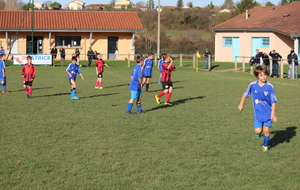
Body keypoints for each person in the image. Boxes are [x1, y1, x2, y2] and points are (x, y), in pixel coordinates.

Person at [238, 66, 278, 153]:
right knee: (258, 130)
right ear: (257, 76)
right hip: (258, 113)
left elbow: (273, 101)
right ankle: (258, 134)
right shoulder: (252, 85)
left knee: (266, 130)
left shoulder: (270, 87)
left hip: (268, 113)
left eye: (265, 75)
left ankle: (265, 146)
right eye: (261, 75)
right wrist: (241, 104)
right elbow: (245, 94)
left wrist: (273, 114)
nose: (264, 77)